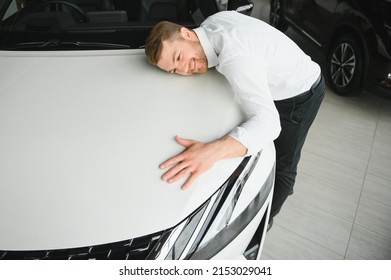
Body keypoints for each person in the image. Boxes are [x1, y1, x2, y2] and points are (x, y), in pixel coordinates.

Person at [144, 11, 325, 228]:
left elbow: (269, 123)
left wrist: (210, 152)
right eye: (174, 70)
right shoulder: (212, 22)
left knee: (284, 168)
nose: (183, 70)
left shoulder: (235, 58)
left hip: (301, 92)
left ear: (186, 34)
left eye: (178, 57)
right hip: (272, 74)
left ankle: (262, 225)